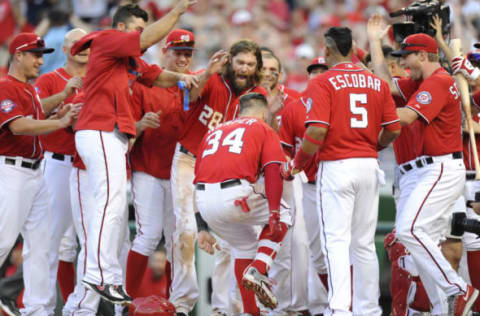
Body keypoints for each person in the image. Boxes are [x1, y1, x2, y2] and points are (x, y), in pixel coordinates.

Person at [70, 1, 198, 304]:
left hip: (112, 134)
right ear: (121, 28)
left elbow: (156, 76)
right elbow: (146, 40)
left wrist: (183, 78)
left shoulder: (128, 60)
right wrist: (176, 12)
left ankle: (109, 276)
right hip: (100, 128)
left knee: (113, 207)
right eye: (137, 28)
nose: (141, 35)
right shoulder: (107, 39)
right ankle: (97, 274)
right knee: (110, 201)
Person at [282, 27, 401, 316]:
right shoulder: (376, 82)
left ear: (329, 48)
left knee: (335, 242)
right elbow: (394, 128)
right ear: (353, 48)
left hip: (336, 165)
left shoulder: (322, 81)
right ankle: (369, 309)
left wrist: (297, 164)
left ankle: (339, 309)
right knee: (363, 243)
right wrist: (372, 144)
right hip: (368, 165)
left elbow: (316, 131)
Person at [368, 15, 479, 315]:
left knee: (409, 230)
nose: (404, 63)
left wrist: (376, 116)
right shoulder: (421, 80)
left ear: (423, 55)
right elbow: (384, 85)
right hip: (423, 171)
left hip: (440, 168)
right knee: (418, 239)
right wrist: (376, 42)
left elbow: (406, 117)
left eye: (408, 57)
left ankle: (458, 288)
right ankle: (447, 304)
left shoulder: (439, 80)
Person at [169, 39, 266, 316]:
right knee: (187, 229)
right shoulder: (213, 80)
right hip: (190, 158)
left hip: (224, 171)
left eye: (250, 64)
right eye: (240, 62)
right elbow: (191, 96)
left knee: (228, 241)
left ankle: (225, 308)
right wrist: (209, 72)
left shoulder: (256, 95)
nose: (244, 68)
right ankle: (182, 305)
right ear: (229, 62)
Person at [125, 28, 208, 299]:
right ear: (165, 52)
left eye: (187, 53)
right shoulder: (145, 84)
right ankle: (127, 301)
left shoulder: (197, 84)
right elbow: (126, 133)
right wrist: (139, 126)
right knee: (148, 236)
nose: (183, 58)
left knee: (178, 239)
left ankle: (175, 302)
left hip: (180, 174)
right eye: (177, 52)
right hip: (148, 168)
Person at [194, 92, 291, 316]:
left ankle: (250, 312)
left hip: (204, 203)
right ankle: (259, 268)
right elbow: (273, 171)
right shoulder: (263, 128)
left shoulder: (214, 132)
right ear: (264, 114)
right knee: (286, 214)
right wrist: (274, 213)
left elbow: (196, 182)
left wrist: (201, 228)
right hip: (234, 194)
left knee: (244, 247)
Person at [0, 32, 76, 316]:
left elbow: (37, 111)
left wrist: (60, 107)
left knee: (42, 245)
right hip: (10, 172)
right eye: (35, 54)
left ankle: (38, 310)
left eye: (42, 54)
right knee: (3, 242)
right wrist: (61, 124)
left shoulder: (28, 88)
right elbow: (18, 126)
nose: (41, 60)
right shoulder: (5, 85)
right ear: (18, 55)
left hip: (35, 173)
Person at [34, 27, 88, 315]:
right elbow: (32, 113)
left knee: (84, 242)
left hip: (87, 165)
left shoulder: (97, 81)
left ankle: (75, 306)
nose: (84, 48)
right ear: (65, 50)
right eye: (77, 44)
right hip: (56, 161)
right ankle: (39, 305)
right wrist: (62, 107)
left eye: (87, 43)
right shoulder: (50, 79)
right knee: (52, 237)